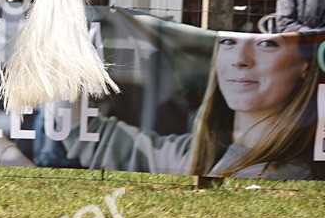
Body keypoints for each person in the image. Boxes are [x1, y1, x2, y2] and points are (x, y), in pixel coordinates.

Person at [63, 30, 323, 179]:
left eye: (267, 44)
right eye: (228, 42)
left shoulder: (291, 175)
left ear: (306, 64)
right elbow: (91, 137)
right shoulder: (192, 153)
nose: (240, 60)